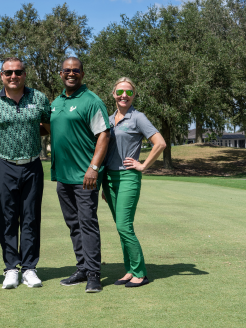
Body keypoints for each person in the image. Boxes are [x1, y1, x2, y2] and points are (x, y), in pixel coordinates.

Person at [0, 57, 51, 289]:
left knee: (30, 218)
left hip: (32, 166)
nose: (13, 76)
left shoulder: (38, 98)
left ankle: (29, 268)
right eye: (8, 73)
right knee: (7, 218)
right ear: (1, 76)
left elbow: (51, 126)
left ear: (24, 74)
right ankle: (11, 268)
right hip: (4, 166)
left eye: (18, 72)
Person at [50, 57, 111, 293]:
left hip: (85, 177)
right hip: (63, 176)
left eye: (76, 70)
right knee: (73, 224)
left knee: (87, 224)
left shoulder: (91, 101)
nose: (71, 73)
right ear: (61, 74)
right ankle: (82, 268)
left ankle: (94, 274)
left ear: (82, 74)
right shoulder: (56, 102)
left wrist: (93, 168)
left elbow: (103, 135)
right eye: (67, 70)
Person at [102, 77, 166, 287]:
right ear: (113, 94)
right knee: (121, 228)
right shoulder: (108, 119)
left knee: (124, 225)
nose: (124, 96)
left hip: (128, 177)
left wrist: (143, 165)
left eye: (129, 93)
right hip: (109, 179)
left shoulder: (138, 118)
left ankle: (140, 272)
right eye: (120, 92)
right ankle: (129, 270)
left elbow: (160, 142)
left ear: (133, 95)